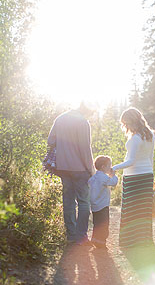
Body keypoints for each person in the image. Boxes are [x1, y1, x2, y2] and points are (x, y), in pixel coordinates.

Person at [47, 102, 95, 246]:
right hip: (80, 169)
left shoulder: (60, 118)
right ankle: (81, 236)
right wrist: (91, 169)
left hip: (63, 167)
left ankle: (71, 235)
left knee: (68, 201)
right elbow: (85, 148)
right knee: (83, 202)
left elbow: (50, 141)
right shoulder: (83, 122)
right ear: (87, 110)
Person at [111, 107, 155, 253]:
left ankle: (129, 242)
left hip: (133, 176)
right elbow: (150, 158)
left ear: (130, 121)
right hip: (147, 175)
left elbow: (130, 161)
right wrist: (152, 175)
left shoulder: (136, 138)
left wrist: (114, 168)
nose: (125, 126)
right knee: (143, 210)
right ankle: (144, 241)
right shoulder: (150, 135)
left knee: (130, 210)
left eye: (125, 123)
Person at [87, 155, 118, 250]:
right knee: (104, 224)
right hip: (103, 205)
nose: (111, 168)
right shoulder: (103, 177)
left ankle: (95, 239)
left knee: (97, 224)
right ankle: (101, 242)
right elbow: (113, 182)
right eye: (109, 166)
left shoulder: (93, 178)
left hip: (95, 205)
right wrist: (113, 175)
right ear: (103, 167)